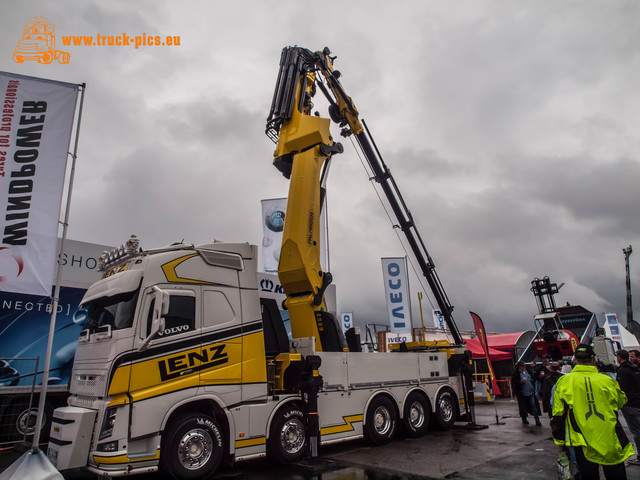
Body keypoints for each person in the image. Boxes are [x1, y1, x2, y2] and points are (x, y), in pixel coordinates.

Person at [551, 344, 634, 480]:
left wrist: (561, 444)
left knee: (589, 475)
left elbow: (558, 416)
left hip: (582, 442)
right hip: (609, 438)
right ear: (594, 359)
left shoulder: (564, 382)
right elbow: (620, 402)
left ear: (575, 360)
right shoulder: (607, 381)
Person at [616, 349, 640, 465]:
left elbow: (621, 390)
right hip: (637, 402)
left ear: (619, 357)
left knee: (636, 432)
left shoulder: (623, 371)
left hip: (630, 404)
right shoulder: (635, 368)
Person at [511, 361, 541, 426]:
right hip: (522, 393)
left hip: (530, 392)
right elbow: (514, 382)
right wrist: (520, 381)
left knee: (533, 405)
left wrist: (533, 386)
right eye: (522, 366)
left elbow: (533, 379)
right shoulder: (516, 374)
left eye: (524, 366)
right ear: (519, 367)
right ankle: (524, 419)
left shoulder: (529, 372)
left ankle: (537, 419)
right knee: (523, 406)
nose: (523, 367)